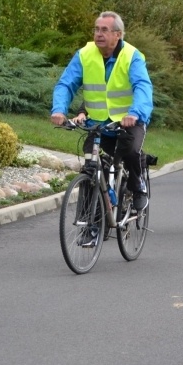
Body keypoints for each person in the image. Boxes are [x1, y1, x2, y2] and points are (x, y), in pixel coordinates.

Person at [50, 11, 153, 215]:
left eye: (104, 30)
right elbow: (66, 84)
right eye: (96, 29)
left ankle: (137, 184)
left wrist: (135, 113)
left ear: (118, 34)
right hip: (97, 124)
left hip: (128, 122)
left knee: (131, 152)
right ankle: (92, 225)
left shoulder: (132, 56)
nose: (98, 34)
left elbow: (142, 86)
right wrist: (59, 109)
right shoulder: (85, 54)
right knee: (91, 167)